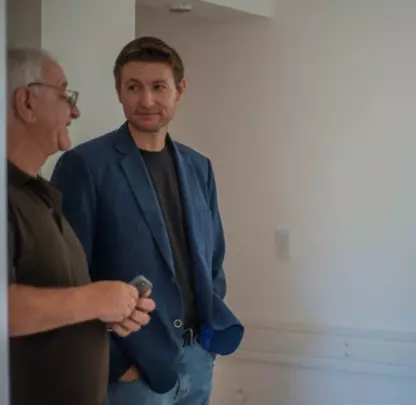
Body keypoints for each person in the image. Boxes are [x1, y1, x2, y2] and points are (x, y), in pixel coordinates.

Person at [50, 37, 243, 405]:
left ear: (179, 90)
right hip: (132, 374)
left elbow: (213, 258)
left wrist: (204, 346)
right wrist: (118, 363)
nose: (147, 100)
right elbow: (69, 275)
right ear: (118, 91)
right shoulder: (85, 166)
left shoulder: (198, 167)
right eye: (134, 87)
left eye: (158, 87)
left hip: (197, 361)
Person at [6, 47, 155, 405]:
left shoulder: (42, 196)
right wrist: (92, 300)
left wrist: (103, 313)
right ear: (26, 103)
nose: (75, 112)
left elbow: (52, 307)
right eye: (64, 96)